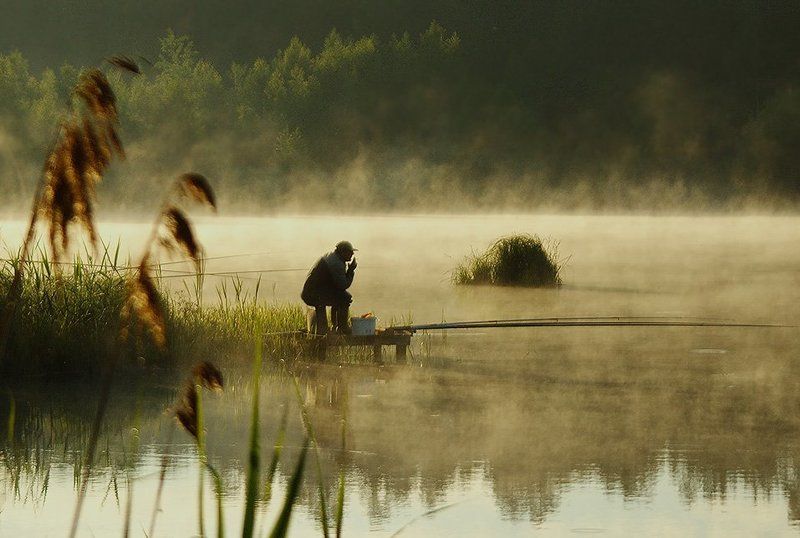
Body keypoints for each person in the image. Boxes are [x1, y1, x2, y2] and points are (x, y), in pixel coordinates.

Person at [301, 240, 358, 334]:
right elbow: (343, 285)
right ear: (342, 252)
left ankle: (334, 327)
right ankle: (341, 328)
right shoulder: (337, 263)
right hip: (314, 294)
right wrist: (351, 270)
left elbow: (338, 287)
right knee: (345, 298)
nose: (352, 254)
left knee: (341, 297)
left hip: (312, 292)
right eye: (350, 252)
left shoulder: (333, 257)